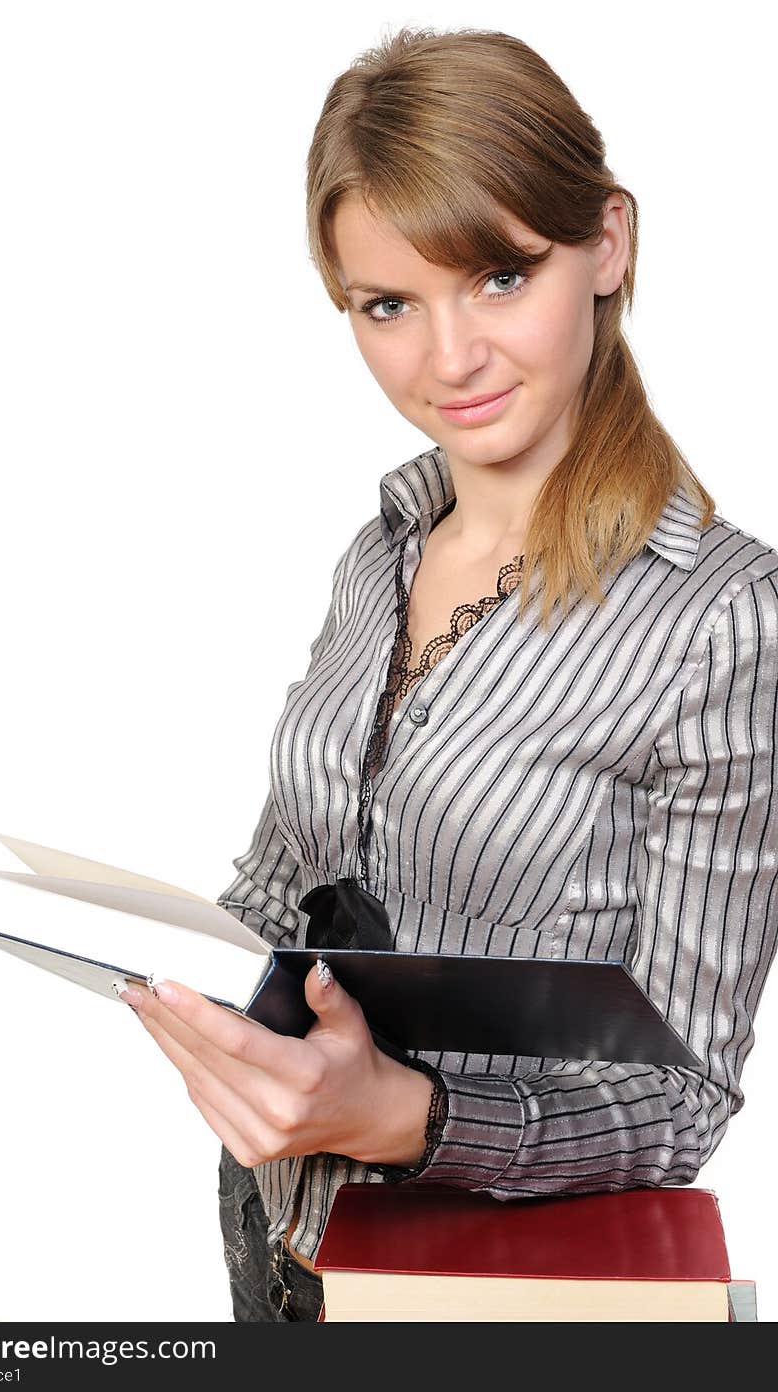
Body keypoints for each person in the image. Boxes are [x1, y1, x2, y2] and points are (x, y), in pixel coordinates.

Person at [117, 26, 778, 1321]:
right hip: (277, 1227)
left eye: (496, 277)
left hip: (490, 1291)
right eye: (388, 305)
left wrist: (403, 1113)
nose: (450, 359)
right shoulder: (381, 550)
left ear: (607, 245)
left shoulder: (727, 618)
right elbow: (285, 884)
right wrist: (173, 977)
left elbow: (684, 1097)